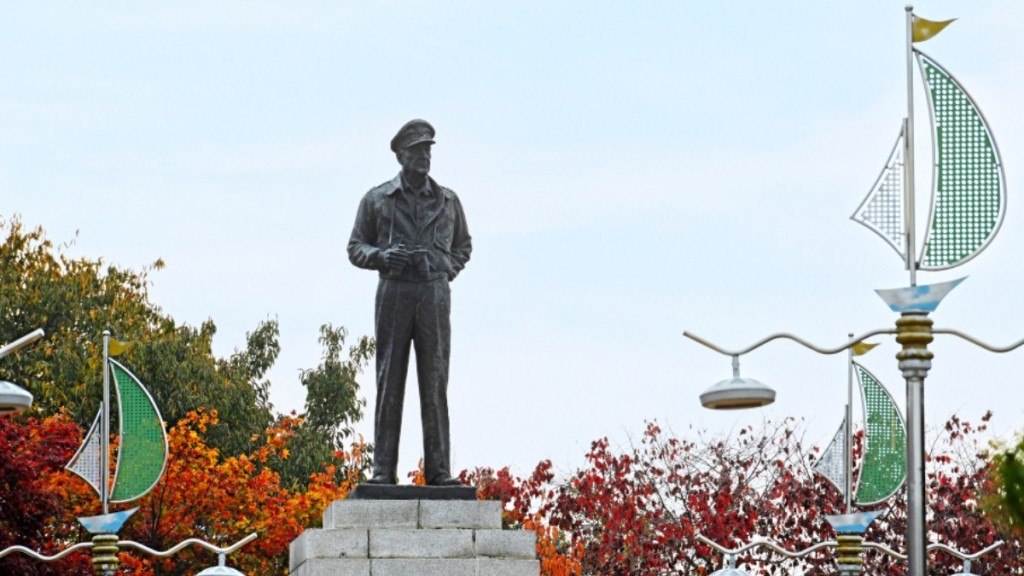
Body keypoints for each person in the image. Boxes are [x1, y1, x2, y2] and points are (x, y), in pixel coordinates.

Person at [347, 119, 472, 486]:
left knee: (434, 381)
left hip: (433, 293)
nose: (424, 156)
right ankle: (383, 470)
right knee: (390, 380)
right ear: (401, 155)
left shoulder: (448, 200)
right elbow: (356, 246)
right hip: (395, 292)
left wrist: (447, 268)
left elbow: (463, 245)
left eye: (428, 150)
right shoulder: (377, 199)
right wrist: (383, 257)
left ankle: (439, 470)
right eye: (417, 150)